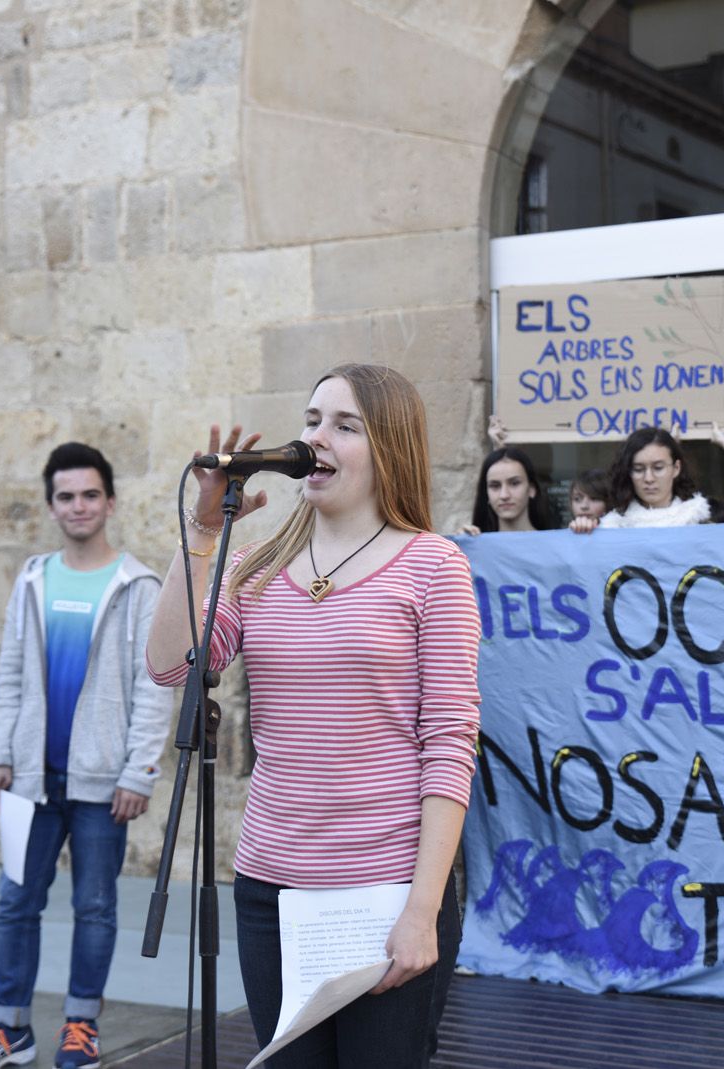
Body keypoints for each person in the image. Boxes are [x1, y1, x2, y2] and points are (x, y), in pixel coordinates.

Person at [146, 363, 481, 1067]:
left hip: (389, 892)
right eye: (310, 420)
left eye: (343, 424)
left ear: (388, 445)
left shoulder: (433, 566)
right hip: (275, 892)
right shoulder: (257, 567)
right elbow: (173, 664)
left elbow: (450, 744)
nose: (314, 438)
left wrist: (423, 911)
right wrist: (203, 531)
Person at [0, 443, 171, 1069]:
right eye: (66, 496)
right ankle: (9, 1031)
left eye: (90, 494)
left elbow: (154, 684)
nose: (79, 506)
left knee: (95, 906)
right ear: (52, 506)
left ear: (110, 501)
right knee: (15, 901)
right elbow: (10, 673)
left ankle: (81, 1026)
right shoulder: (34, 578)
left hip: (104, 782)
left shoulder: (139, 584)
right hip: (29, 780)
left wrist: (138, 770)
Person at [569, 425, 724, 532]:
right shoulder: (612, 528)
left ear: (676, 468)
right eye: (638, 469)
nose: (649, 478)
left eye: (658, 468)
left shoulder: (705, 519)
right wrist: (582, 535)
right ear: (628, 473)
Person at [458, 446, 557, 535]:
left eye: (514, 483)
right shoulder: (473, 548)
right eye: (495, 486)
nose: (504, 495)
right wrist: (459, 550)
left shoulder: (555, 545)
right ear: (486, 493)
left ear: (531, 489)